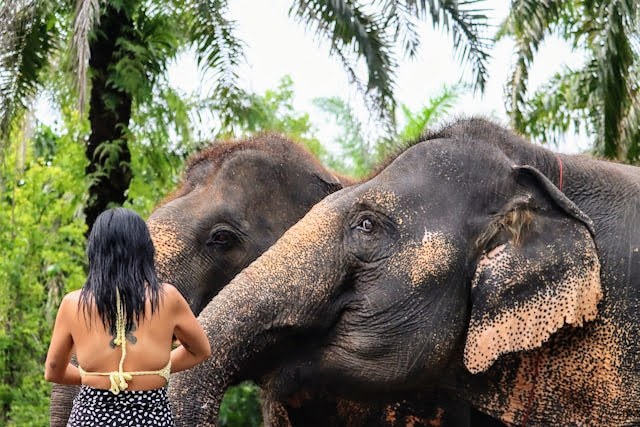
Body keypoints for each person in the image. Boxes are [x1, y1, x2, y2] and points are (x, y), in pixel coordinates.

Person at [45, 207, 211, 426]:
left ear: (95, 251)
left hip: (91, 418)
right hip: (152, 418)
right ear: (145, 249)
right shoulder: (168, 298)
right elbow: (200, 351)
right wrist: (155, 368)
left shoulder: (73, 304)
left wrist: (94, 377)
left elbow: (53, 371)